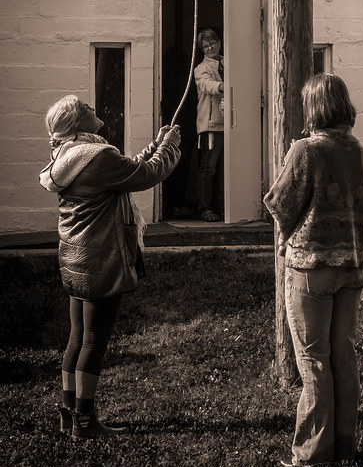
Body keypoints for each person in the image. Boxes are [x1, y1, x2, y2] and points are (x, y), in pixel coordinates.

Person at [40, 96, 181, 440]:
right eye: (85, 107)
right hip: (100, 259)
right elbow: (145, 174)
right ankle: (85, 422)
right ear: (76, 123)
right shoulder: (97, 156)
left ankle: (68, 414)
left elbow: (125, 169)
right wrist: (171, 147)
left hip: (76, 257)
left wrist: (155, 144)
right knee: (93, 342)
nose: (92, 107)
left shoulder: (70, 155)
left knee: (77, 338)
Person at [264, 73, 363, 467]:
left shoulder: (306, 150)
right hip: (351, 265)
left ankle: (311, 453)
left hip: (311, 266)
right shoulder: (356, 150)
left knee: (313, 360)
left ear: (314, 108)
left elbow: (279, 202)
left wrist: (292, 154)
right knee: (343, 354)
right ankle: (345, 445)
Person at [194, 28, 225, 222]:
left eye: (212, 44)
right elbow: (206, 85)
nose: (209, 48)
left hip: (230, 123)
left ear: (219, 43)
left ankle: (224, 208)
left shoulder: (227, 62)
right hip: (211, 125)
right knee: (209, 168)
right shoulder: (201, 68)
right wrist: (224, 86)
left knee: (226, 169)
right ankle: (205, 208)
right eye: (205, 46)